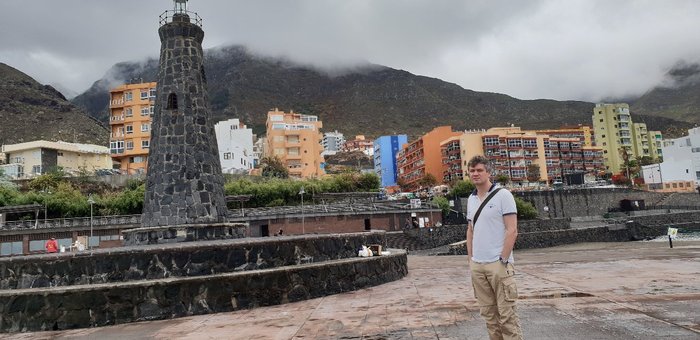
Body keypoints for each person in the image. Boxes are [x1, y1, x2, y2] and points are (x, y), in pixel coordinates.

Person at [466, 155, 523, 340]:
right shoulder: (471, 199)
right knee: (490, 318)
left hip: (498, 265)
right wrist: (471, 260)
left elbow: (512, 230)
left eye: (479, 170)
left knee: (507, 317)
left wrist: (503, 260)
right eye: (472, 170)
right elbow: (470, 230)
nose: (475, 174)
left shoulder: (503, 195)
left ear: (489, 172)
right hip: (478, 266)